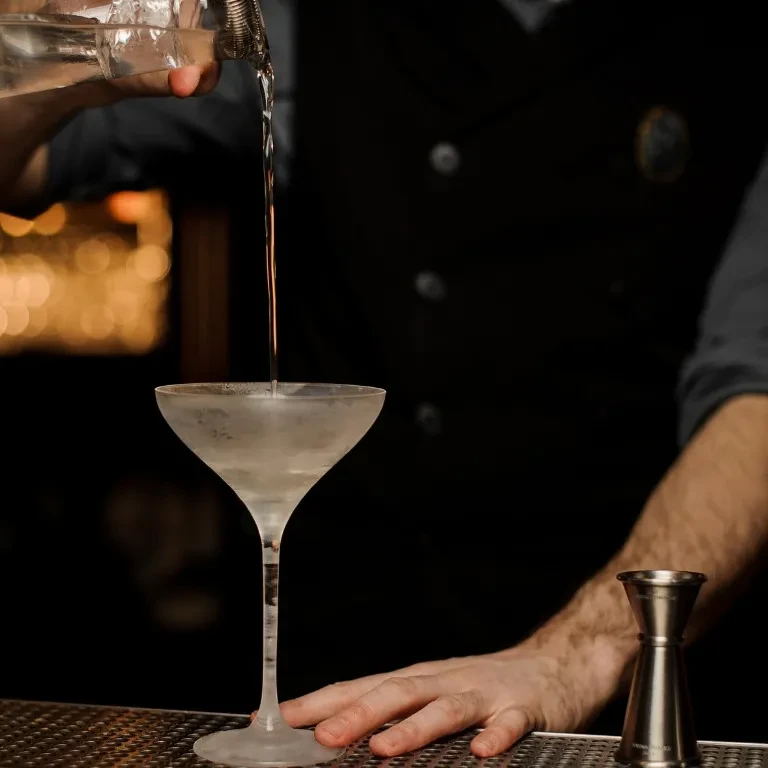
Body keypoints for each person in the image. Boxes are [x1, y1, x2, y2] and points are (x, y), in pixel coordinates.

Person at [3, 0, 768, 756]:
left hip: (615, 642)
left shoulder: (733, 43)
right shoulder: (297, 23)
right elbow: (20, 167)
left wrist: (584, 651)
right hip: (344, 643)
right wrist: (66, 55)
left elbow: (757, 386)